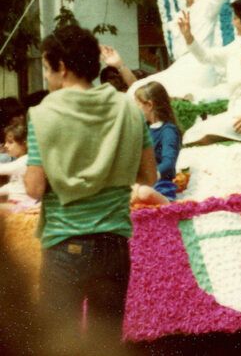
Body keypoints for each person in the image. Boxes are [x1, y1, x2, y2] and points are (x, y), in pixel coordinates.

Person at [24, 24, 157, 342]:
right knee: (106, 343)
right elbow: (150, 176)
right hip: (114, 245)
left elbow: (34, 188)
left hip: (64, 245)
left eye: (45, 67)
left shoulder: (42, 115)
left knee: (57, 342)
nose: (46, 76)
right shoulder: (129, 109)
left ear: (63, 67)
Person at [116, 0, 233, 101]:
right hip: (181, 67)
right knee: (136, 89)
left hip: (199, 67)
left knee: (162, 95)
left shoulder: (206, 4)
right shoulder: (180, 14)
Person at [179, 0, 241, 146]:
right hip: (234, 112)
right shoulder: (235, 48)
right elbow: (205, 57)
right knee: (192, 135)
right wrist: (188, 37)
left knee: (203, 137)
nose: (233, 22)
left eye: (235, 18)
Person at [134, 81, 181, 202]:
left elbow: (169, 163)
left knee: (145, 193)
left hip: (160, 185)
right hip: (141, 182)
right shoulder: (145, 129)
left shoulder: (168, 131)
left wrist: (149, 177)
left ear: (149, 105)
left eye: (137, 105)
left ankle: (168, 206)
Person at [0, 122, 39, 210]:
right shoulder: (20, 160)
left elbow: (2, 169)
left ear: (24, 144)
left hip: (23, 205)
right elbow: (12, 186)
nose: (6, 145)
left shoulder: (26, 160)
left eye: (10, 142)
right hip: (17, 204)